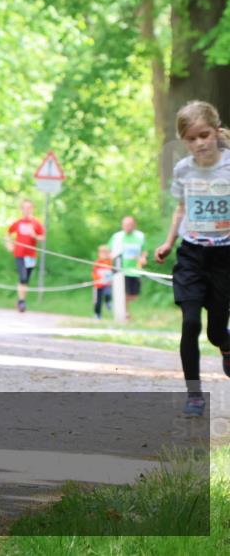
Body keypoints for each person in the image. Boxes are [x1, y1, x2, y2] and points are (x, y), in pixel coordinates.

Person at [154, 100, 230, 417]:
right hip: (191, 255)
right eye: (191, 138)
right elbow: (182, 208)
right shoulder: (183, 169)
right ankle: (195, 394)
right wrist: (168, 242)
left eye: (204, 134)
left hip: (224, 257)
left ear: (215, 131)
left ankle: (225, 344)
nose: (199, 143)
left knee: (214, 331)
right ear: (184, 141)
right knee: (189, 323)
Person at [5, 199, 45, 312]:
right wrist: (9, 244)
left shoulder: (36, 223)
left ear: (32, 209)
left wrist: (35, 236)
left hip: (31, 255)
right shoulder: (18, 223)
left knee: (26, 279)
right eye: (24, 208)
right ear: (21, 209)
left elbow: (42, 237)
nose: (26, 210)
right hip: (19, 254)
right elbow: (8, 232)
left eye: (29, 208)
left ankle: (20, 300)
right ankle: (22, 302)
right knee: (22, 277)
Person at [109, 216, 147, 319]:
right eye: (125, 225)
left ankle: (122, 308)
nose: (127, 227)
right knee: (123, 293)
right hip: (121, 270)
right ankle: (125, 313)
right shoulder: (117, 237)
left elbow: (144, 251)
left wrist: (143, 258)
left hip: (135, 270)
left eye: (129, 224)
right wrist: (111, 260)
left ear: (134, 225)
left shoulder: (140, 236)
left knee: (134, 295)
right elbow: (110, 251)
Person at [91, 245, 113, 320]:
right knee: (98, 301)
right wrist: (98, 279)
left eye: (105, 253)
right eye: (101, 253)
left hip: (107, 284)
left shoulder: (109, 262)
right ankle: (97, 314)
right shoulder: (97, 263)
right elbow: (94, 273)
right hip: (98, 285)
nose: (103, 255)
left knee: (108, 293)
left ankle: (108, 302)